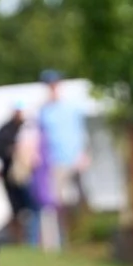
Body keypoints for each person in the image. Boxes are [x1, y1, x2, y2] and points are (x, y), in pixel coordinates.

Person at [37, 72, 90, 248]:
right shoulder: (43, 111)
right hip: (55, 163)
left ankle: (84, 236)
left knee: (81, 201)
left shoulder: (72, 108)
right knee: (57, 203)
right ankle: (61, 240)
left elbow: (81, 133)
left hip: (74, 161)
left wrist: (83, 154)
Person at [0, 106, 34, 243]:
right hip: (10, 177)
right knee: (14, 208)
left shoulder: (28, 127)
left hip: (29, 176)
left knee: (30, 208)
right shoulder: (5, 130)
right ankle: (17, 238)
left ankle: (29, 237)